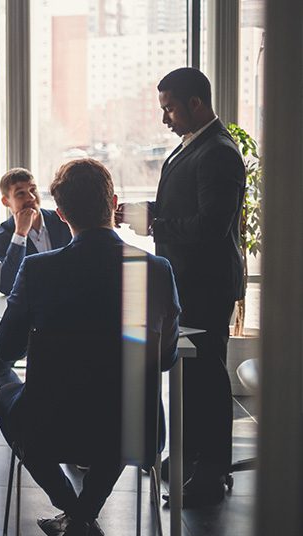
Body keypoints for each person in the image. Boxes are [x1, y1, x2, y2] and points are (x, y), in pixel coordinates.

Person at [0, 158, 180, 536]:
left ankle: (72, 509)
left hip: (52, 425)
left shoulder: (39, 270)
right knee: (118, 408)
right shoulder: (154, 269)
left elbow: (5, 349)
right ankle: (85, 513)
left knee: (6, 400)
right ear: (113, 202)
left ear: (60, 214)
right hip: (135, 428)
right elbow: (165, 359)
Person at [120, 67, 244, 506]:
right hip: (187, 280)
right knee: (190, 376)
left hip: (206, 285)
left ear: (196, 103)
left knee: (207, 377)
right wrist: (144, 212)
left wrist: (157, 222)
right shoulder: (193, 147)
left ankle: (210, 473)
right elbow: (184, 207)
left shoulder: (219, 153)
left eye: (169, 107)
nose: (164, 118)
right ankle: (190, 459)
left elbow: (211, 227)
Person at [0, 168, 72, 387]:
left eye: (33, 190)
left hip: (65, 312)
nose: (30, 198)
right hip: (27, 315)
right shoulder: (1, 237)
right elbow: (6, 284)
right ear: (6, 201)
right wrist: (20, 235)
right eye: (20, 193)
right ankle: (25, 395)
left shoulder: (62, 221)